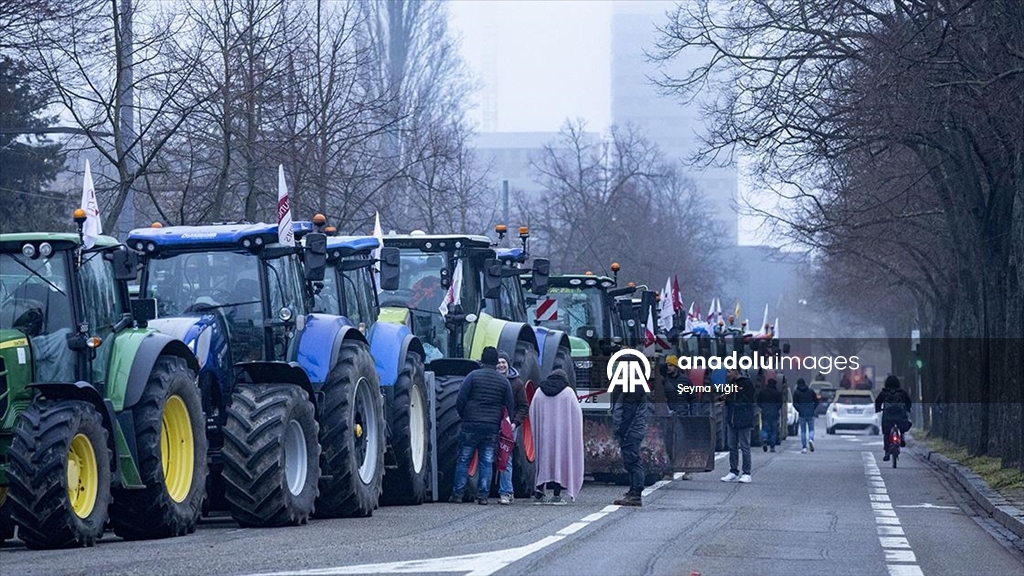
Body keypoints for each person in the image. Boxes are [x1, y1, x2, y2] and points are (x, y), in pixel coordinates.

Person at [451, 346, 514, 505]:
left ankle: (458, 494)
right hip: (491, 426)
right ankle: (483, 496)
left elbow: (460, 399)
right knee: (486, 460)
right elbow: (510, 405)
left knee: (464, 459)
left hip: (470, 424)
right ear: (495, 361)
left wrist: (464, 416)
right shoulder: (503, 381)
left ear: (482, 360)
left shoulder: (472, 376)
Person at [530, 369, 583, 505]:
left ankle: (539, 492)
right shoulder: (568, 392)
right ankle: (556, 495)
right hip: (562, 435)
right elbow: (577, 413)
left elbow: (532, 410)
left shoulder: (539, 391)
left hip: (544, 434)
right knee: (559, 461)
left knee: (543, 461)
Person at [497, 350, 528, 505]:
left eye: (503, 362)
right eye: (498, 362)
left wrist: (515, 423)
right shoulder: (493, 380)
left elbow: (523, 406)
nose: (501, 365)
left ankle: (506, 492)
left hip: (510, 426)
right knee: (488, 457)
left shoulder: (517, 383)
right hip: (493, 423)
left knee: (505, 457)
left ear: (508, 364)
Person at [612, 380, 649, 506]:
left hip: (630, 432)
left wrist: (622, 431)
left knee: (633, 462)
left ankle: (636, 493)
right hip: (634, 431)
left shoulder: (632, 392)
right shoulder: (635, 391)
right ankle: (633, 491)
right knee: (631, 461)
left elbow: (628, 415)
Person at [721, 368, 755, 483]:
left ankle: (746, 473)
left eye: (729, 371)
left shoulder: (747, 383)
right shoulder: (730, 384)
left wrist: (734, 403)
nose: (727, 374)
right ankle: (733, 471)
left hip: (743, 419)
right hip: (731, 419)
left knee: (745, 446)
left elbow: (749, 400)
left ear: (736, 371)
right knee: (732, 446)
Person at [875, 375, 912, 461]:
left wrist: (878, 409)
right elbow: (908, 401)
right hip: (900, 416)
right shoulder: (901, 392)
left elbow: (878, 401)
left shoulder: (884, 392)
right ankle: (901, 438)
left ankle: (886, 451)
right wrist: (908, 409)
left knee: (886, 433)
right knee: (902, 427)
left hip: (888, 417)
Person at [792, 378, 819, 453]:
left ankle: (804, 447)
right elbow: (816, 401)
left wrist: (799, 409)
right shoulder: (811, 391)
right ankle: (811, 439)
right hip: (810, 413)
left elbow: (794, 403)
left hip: (802, 414)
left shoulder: (796, 393)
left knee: (803, 431)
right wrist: (813, 408)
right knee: (811, 429)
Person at [756, 377, 783, 452]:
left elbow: (758, 401)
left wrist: (763, 407)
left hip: (765, 412)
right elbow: (780, 403)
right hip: (774, 413)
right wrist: (776, 408)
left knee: (765, 428)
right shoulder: (777, 393)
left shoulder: (763, 392)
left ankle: (764, 439)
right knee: (773, 430)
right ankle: (772, 447)